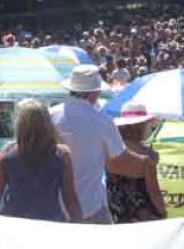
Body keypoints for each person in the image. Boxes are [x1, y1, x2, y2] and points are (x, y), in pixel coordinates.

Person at [50, 65, 154, 224]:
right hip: (90, 204)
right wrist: (145, 162)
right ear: (95, 92)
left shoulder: (51, 116)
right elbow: (119, 162)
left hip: (56, 203)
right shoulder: (102, 121)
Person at [0, 99, 82, 223]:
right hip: (50, 222)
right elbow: (71, 201)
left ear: (19, 124)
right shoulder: (62, 155)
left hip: (13, 223)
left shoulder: (6, 154)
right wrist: (80, 225)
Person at [106, 103, 166, 223]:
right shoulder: (148, 155)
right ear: (141, 126)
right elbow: (153, 192)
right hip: (141, 215)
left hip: (115, 211)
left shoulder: (110, 150)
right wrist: (163, 212)